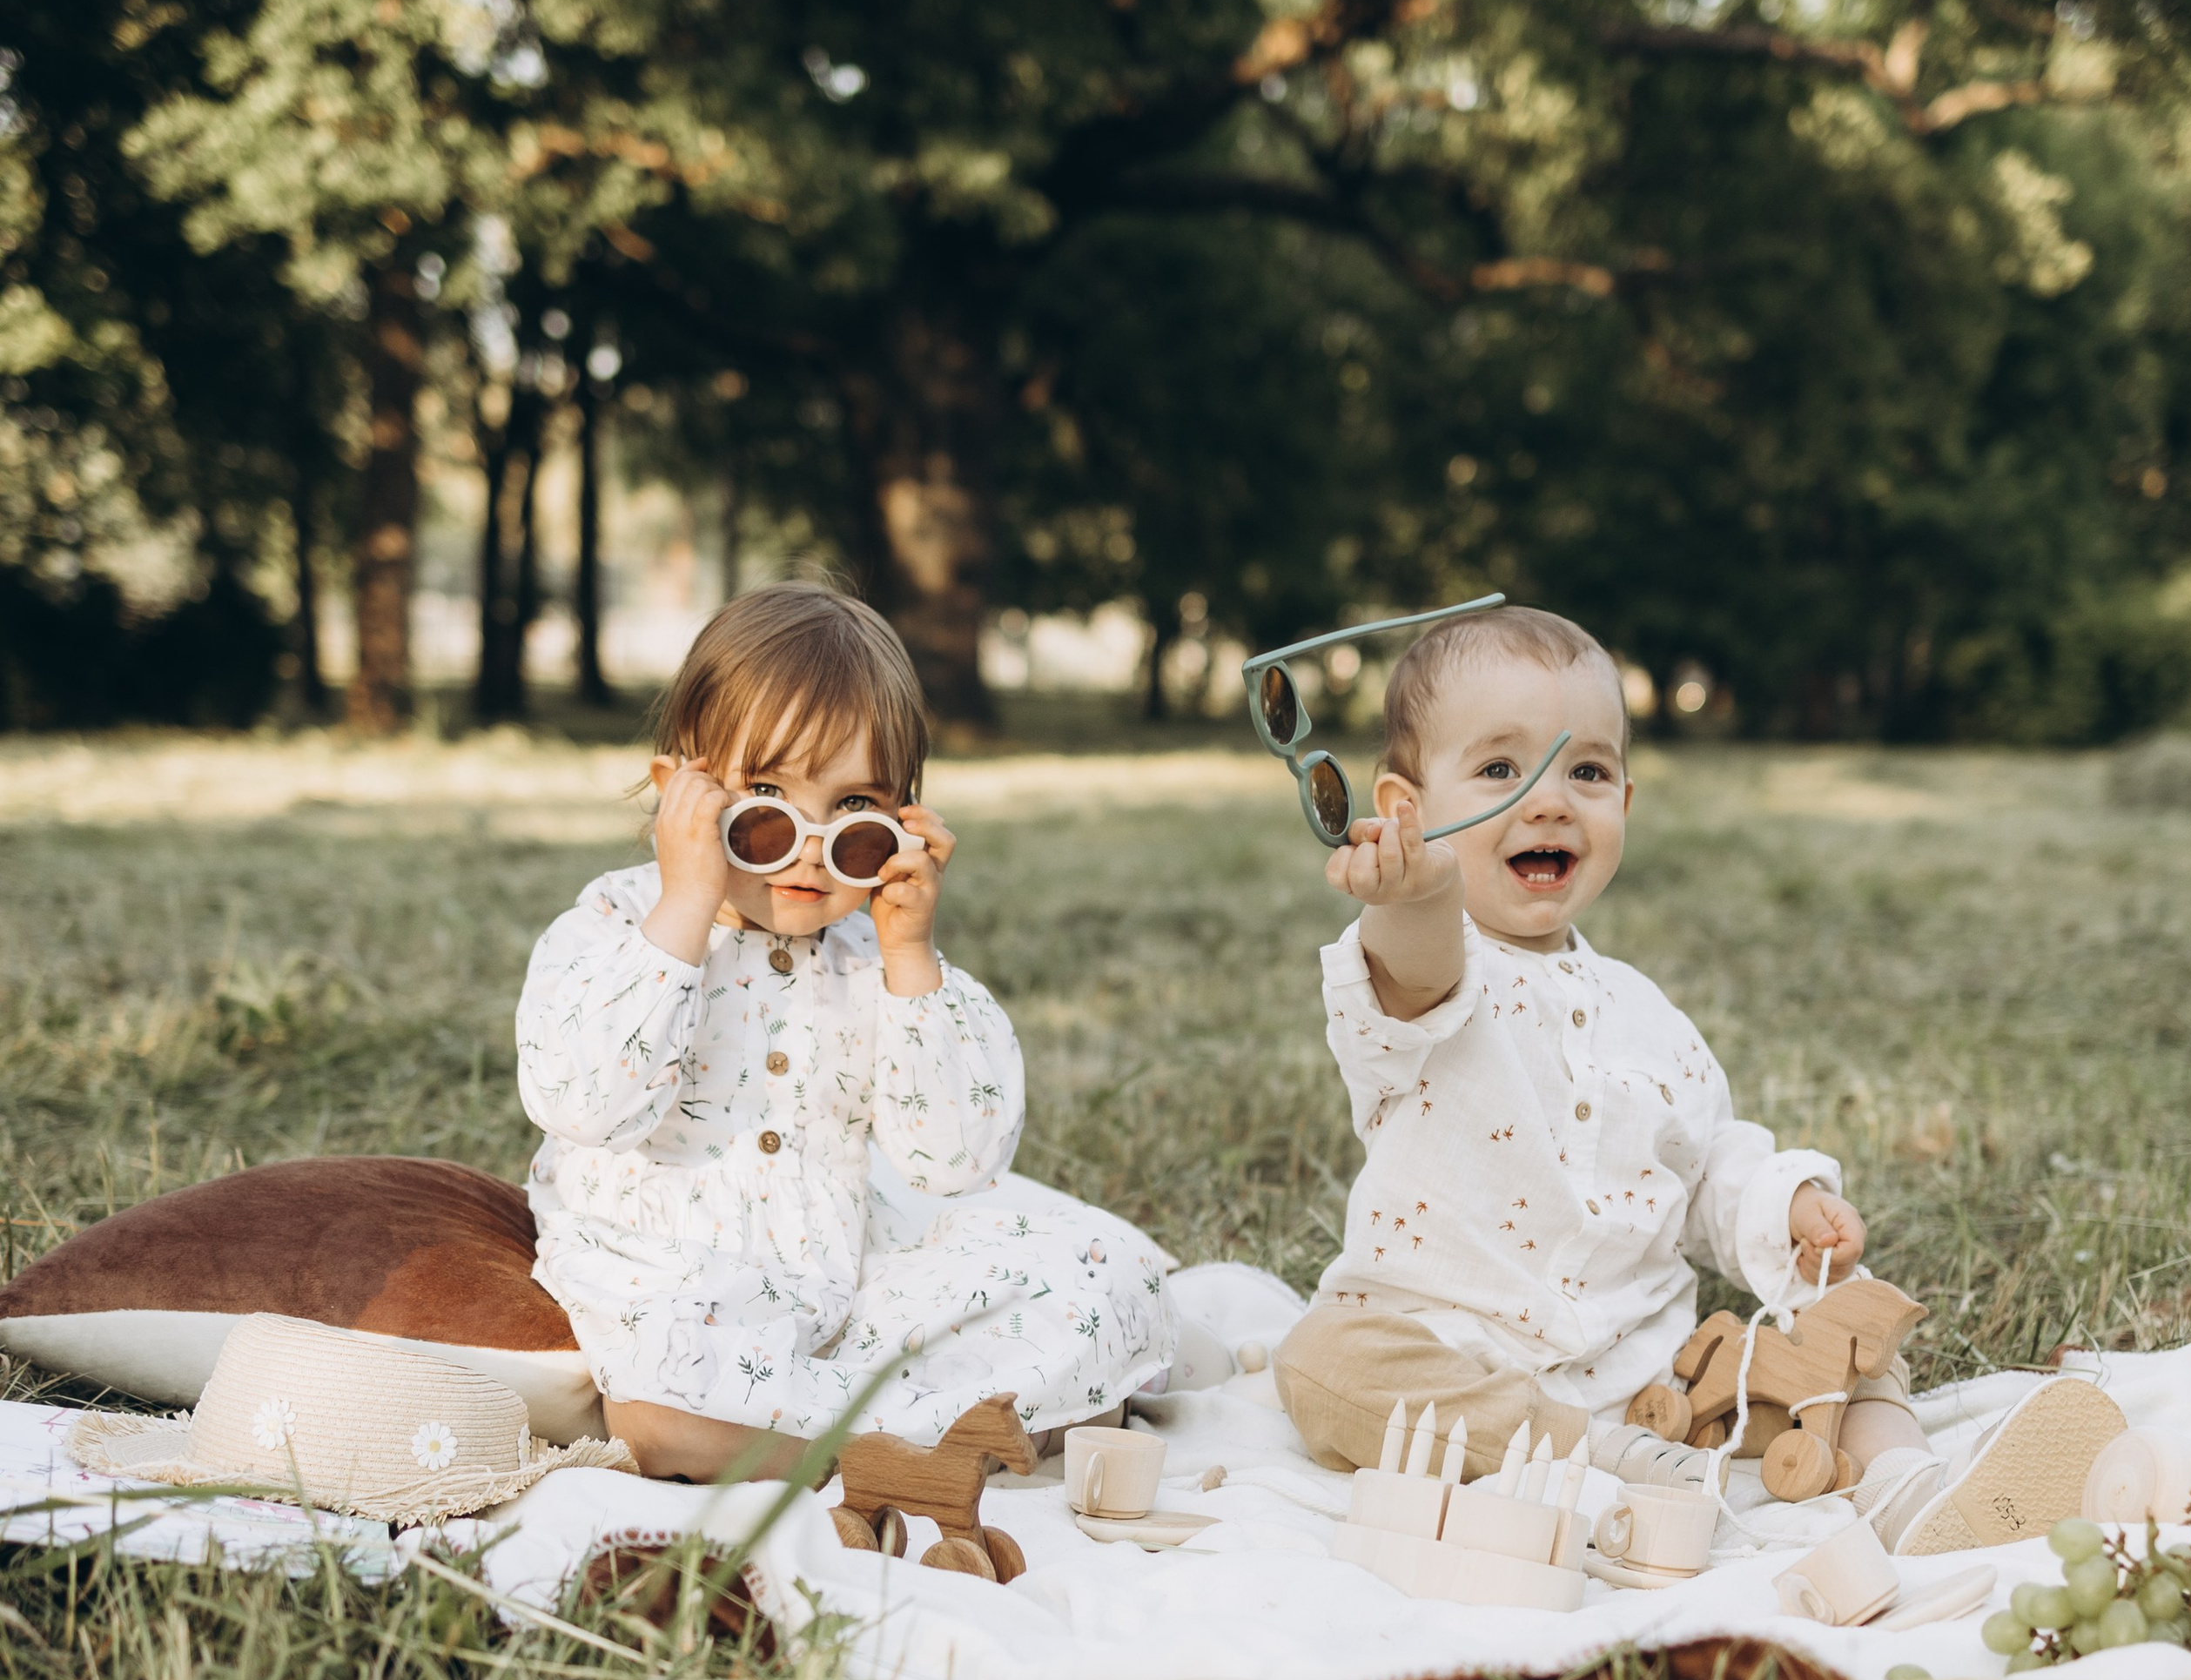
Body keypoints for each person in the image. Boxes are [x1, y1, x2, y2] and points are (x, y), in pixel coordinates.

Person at [517, 581, 1172, 1481]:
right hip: (669, 1279)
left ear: (904, 819)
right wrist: (685, 903)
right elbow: (583, 1103)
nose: (809, 848)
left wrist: (911, 958)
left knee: (1103, 1280)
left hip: (848, 1279)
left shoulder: (875, 958)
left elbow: (956, 1164)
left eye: (854, 813)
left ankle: (867, 1435)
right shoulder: (614, 926)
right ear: (682, 794)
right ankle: (923, 1442)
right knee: (666, 1398)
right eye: (765, 803)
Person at [1273, 604, 1927, 1487]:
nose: (1548, 799)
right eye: (1500, 768)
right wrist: (1413, 890)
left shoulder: (1648, 1015)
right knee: (1323, 1361)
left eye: (1585, 770)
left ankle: (1905, 1476)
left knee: (1845, 1307)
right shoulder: (1430, 967)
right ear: (1407, 810)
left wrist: (1788, 1207)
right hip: (1454, 1355)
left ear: (1621, 802)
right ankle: (1590, 1458)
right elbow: (1415, 968)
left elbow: (1706, 1171)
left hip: (1647, 1383)